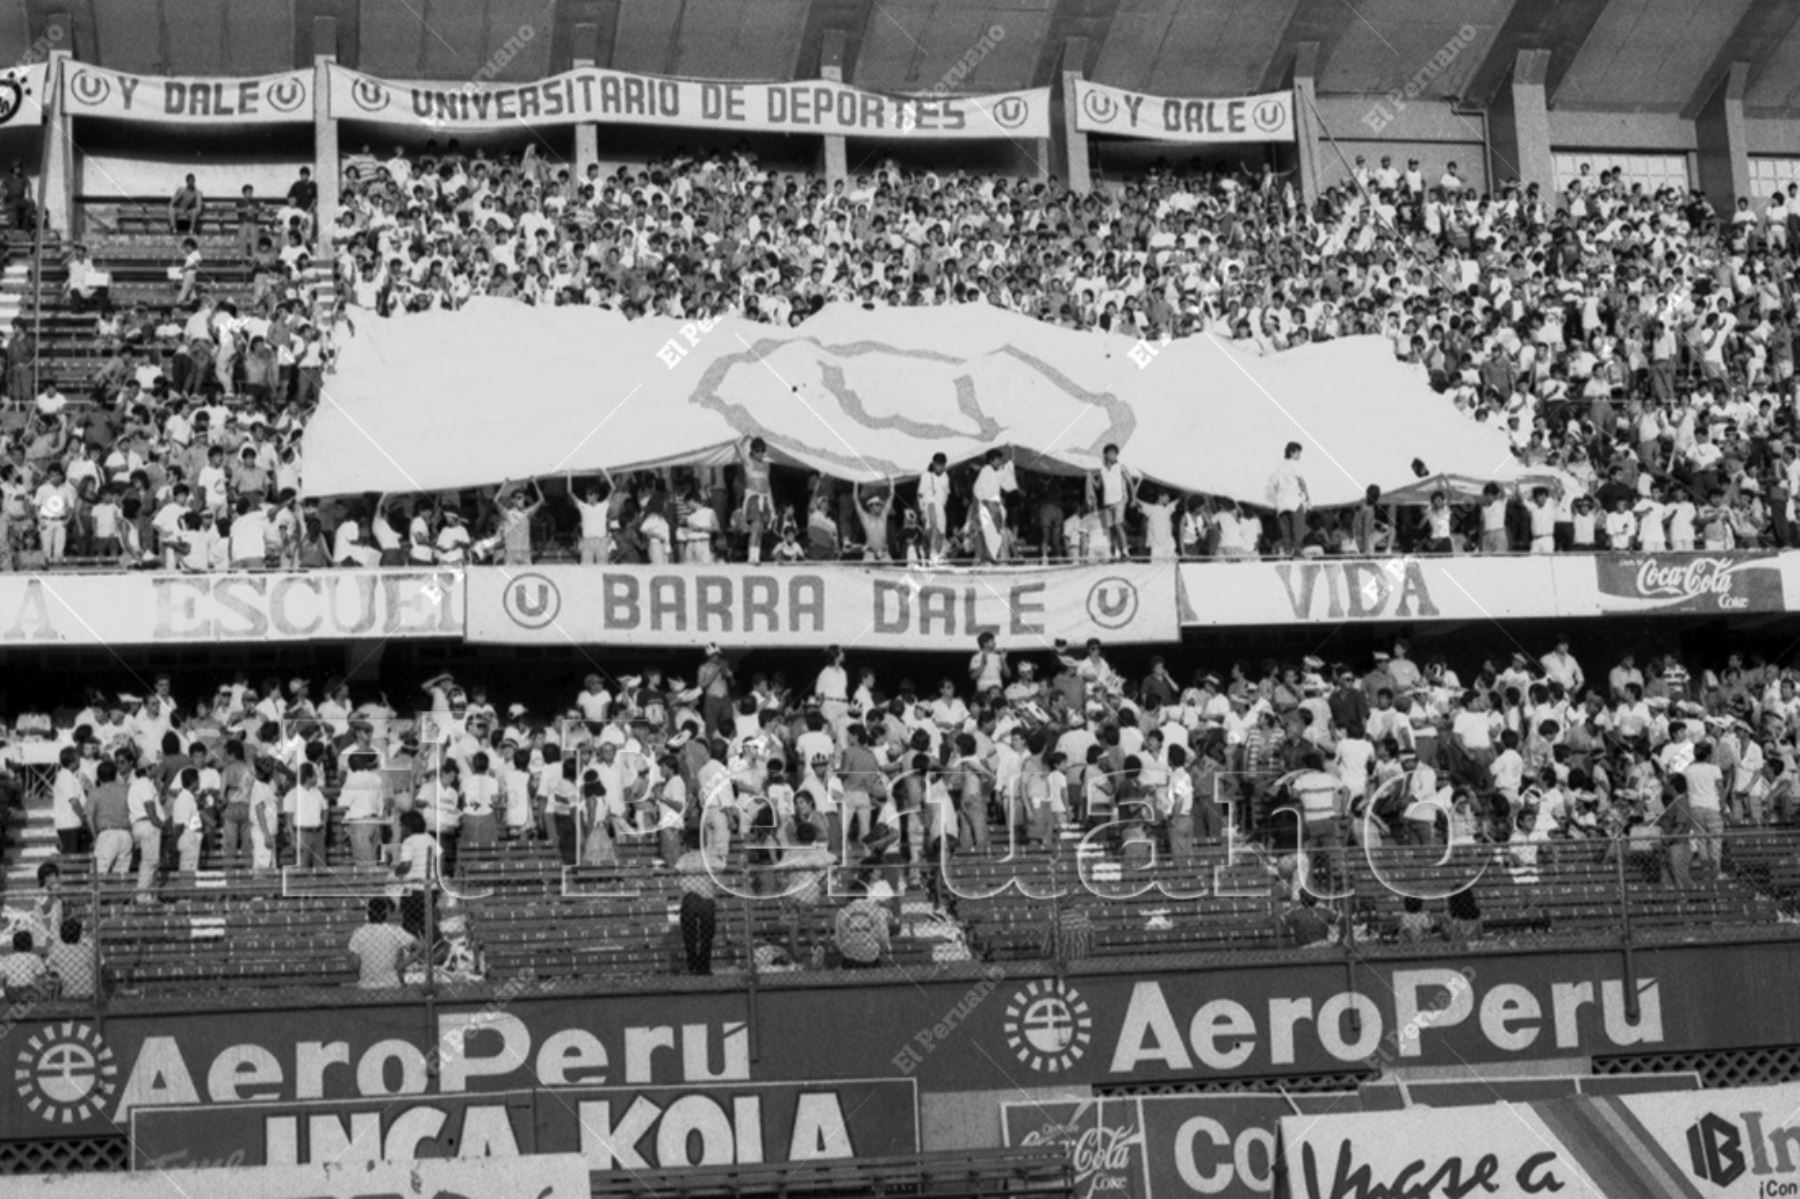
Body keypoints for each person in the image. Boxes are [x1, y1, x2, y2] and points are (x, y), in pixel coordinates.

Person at [348, 897, 416, 989]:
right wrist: (402, 965)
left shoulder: (359, 933)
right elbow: (421, 947)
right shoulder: (394, 931)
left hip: (367, 985)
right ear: (385, 913)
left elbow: (355, 965)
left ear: (368, 913)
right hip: (391, 984)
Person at [1267, 441, 1309, 557]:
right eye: (1298, 453)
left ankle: (1287, 551)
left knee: (1286, 531)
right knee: (1298, 528)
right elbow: (1301, 481)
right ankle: (1297, 551)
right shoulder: (1294, 464)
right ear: (1292, 453)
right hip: (1293, 500)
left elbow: (1274, 485)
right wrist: (1307, 497)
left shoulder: (1279, 467)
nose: (1299, 456)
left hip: (1281, 502)